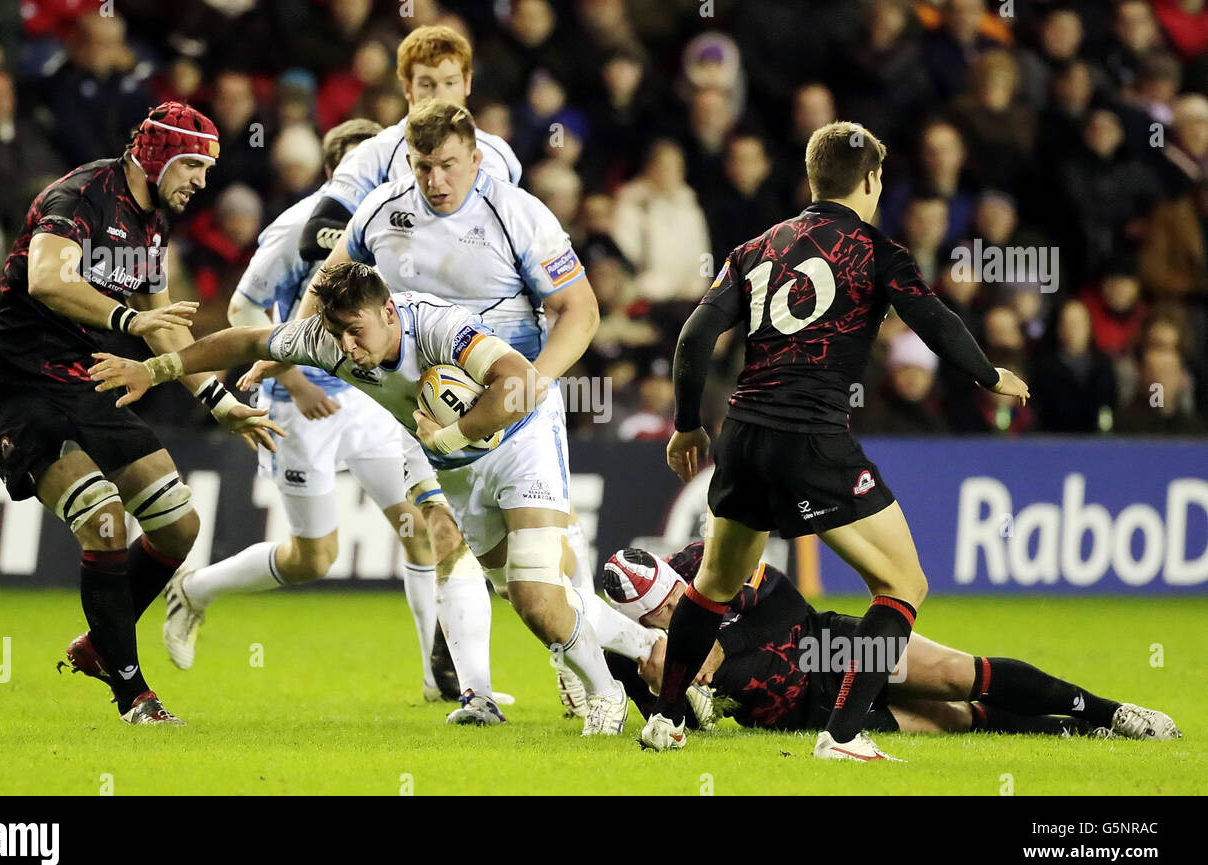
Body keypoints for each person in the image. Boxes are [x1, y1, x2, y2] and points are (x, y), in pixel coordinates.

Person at [90, 263, 631, 735]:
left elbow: (519, 382)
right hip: (458, 463)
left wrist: (446, 436)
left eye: (355, 330)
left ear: (390, 314)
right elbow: (246, 339)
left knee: (536, 590)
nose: (346, 346)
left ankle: (604, 693)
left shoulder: (438, 327)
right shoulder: (328, 340)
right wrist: (154, 368)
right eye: (335, 333)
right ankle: (647, 652)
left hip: (522, 438)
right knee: (523, 595)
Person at [642, 120, 1030, 759]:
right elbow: (933, 320)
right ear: (872, 179)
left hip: (742, 433)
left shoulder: (756, 248)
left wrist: (688, 422)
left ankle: (665, 720)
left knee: (713, 585)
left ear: (813, 176)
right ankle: (844, 736)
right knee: (904, 585)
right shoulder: (877, 251)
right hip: (811, 436)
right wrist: (989, 374)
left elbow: (691, 338)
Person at [301, 98, 660, 719]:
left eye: (446, 165)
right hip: (423, 416)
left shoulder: (518, 214)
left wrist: (536, 383)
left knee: (536, 580)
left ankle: (633, 657)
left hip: (512, 410)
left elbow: (581, 310)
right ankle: (484, 692)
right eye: (420, 167)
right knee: (462, 551)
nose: (433, 181)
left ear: (475, 156)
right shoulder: (383, 212)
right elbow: (325, 290)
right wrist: (289, 352)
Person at [161, 119, 508, 712]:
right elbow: (245, 308)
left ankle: (441, 676)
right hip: (304, 406)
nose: (369, 177)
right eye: (353, 168)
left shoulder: (394, 223)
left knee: (423, 526)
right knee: (313, 558)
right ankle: (195, 590)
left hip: (371, 397)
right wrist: (292, 379)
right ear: (331, 174)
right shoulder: (294, 229)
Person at [0, 102, 283, 727]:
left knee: (180, 527)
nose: (201, 180)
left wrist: (220, 403)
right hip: (17, 384)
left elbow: (164, 330)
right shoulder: (78, 196)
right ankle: (133, 693)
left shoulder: (153, 223)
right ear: (157, 153)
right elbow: (47, 281)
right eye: (192, 164)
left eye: (208, 169)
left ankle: (100, 643)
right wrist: (128, 321)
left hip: (88, 378)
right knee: (105, 523)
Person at [603, 541, 1181, 742]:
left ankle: (1112, 712)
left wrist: (723, 649)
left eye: (678, 597)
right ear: (639, 620)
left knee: (958, 673)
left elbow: (781, 600)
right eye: (665, 615)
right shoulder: (632, 650)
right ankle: (1070, 731)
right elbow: (668, 716)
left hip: (823, 646)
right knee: (953, 720)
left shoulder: (707, 562)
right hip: (799, 714)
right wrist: (674, 709)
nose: (682, 612)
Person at [297, 24, 521, 262]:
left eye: (450, 83)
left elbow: (512, 239)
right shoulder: (376, 153)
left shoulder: (499, 155)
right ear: (406, 87)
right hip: (396, 295)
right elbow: (316, 236)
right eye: (426, 84)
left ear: (467, 82)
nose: (439, 95)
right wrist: (393, 240)